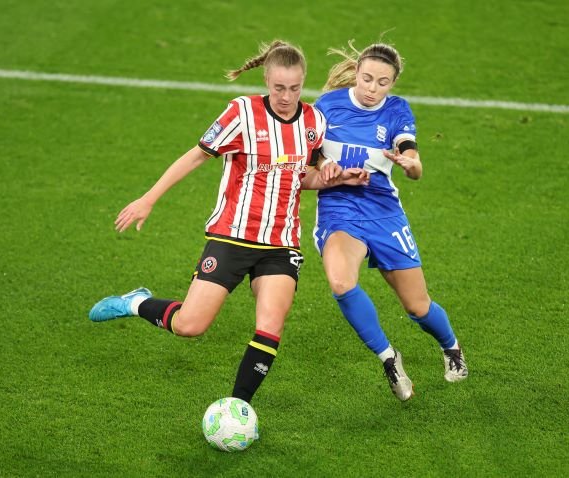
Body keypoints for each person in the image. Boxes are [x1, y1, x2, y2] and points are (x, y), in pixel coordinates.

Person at [88, 40, 367, 404]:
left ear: (303, 83)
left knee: (270, 325)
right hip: (232, 236)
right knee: (190, 325)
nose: (286, 96)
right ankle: (137, 303)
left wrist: (336, 177)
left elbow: (303, 175)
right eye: (279, 87)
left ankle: (238, 407)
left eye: (295, 88)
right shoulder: (242, 113)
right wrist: (148, 199)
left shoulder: (313, 122)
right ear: (266, 79)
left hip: (280, 244)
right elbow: (194, 157)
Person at [312, 41, 468, 401]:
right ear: (357, 72)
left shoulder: (396, 111)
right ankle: (388, 357)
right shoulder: (328, 106)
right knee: (340, 282)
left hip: (383, 211)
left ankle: (451, 348)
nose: (372, 88)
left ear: (392, 84)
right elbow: (311, 157)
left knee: (417, 306)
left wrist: (410, 163)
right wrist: (324, 167)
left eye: (382, 83)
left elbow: (413, 162)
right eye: (367, 78)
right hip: (340, 209)